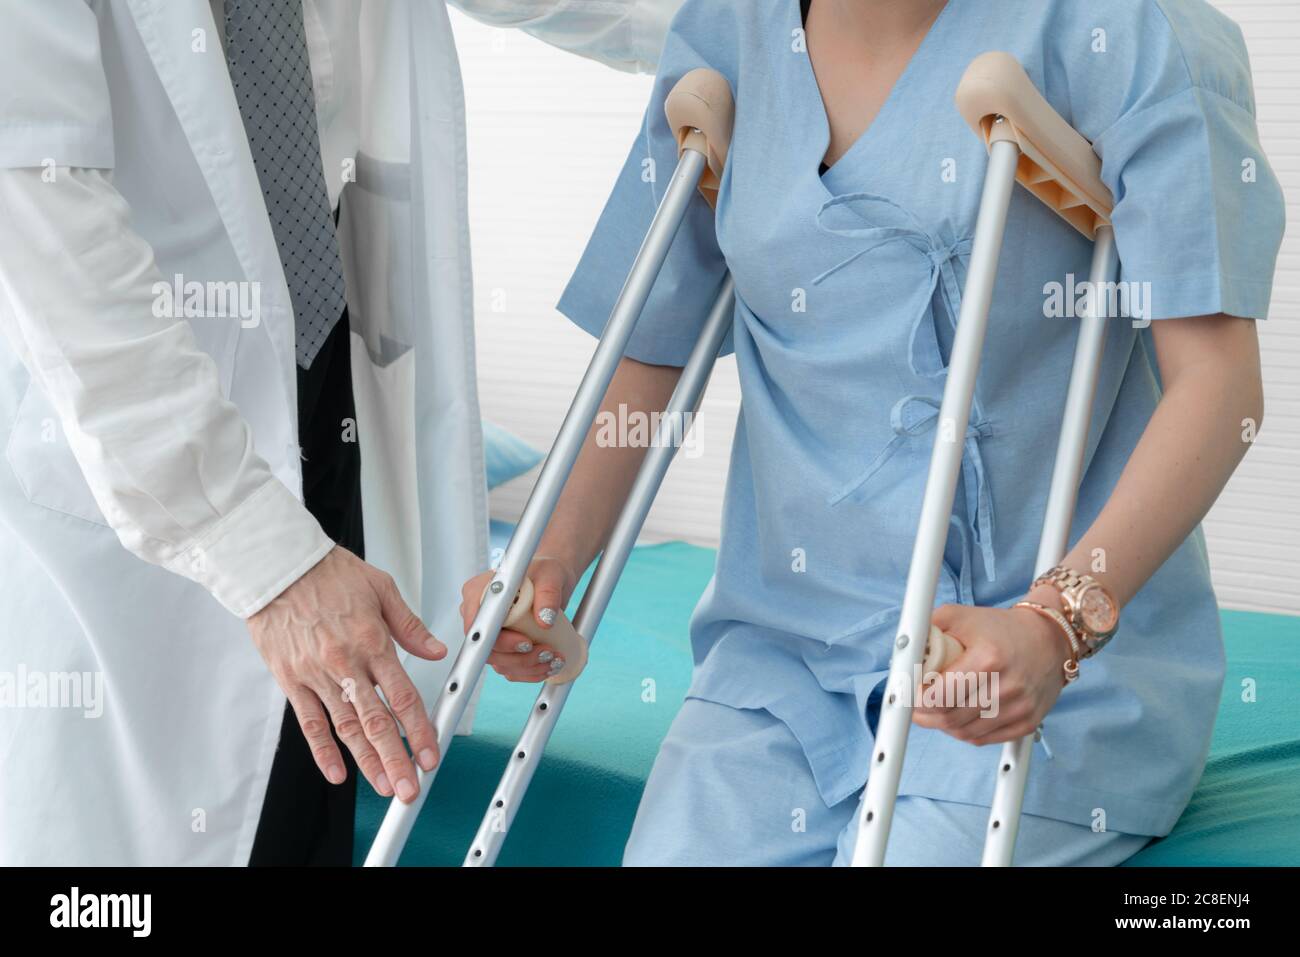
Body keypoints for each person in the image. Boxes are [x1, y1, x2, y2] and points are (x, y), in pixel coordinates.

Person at [462, 0, 1284, 865]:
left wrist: (1058, 623)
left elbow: (1218, 385)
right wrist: (545, 568)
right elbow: (650, 353)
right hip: (781, 664)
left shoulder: (1120, 29)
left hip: (1031, 656)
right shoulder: (727, 30)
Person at [0, 0, 684, 867]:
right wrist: (267, 559)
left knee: (301, 801)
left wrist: (786, 24)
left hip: (330, 383)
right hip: (138, 454)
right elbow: (40, 203)